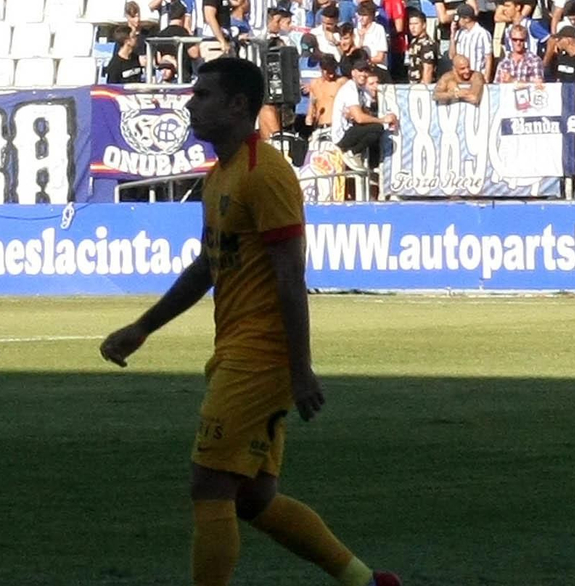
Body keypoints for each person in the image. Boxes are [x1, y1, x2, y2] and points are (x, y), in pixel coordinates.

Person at [100, 57, 400, 586]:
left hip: (259, 357)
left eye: (203, 95)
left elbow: (290, 276)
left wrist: (300, 369)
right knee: (253, 497)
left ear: (239, 105)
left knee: (209, 484)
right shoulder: (221, 175)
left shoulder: (266, 174)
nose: (191, 105)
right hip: (238, 351)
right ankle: (365, 581)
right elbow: (207, 265)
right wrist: (143, 327)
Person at [449, 4, 494, 80]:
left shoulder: (482, 33)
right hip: (461, 78)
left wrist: (486, 78)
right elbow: (452, 56)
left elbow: (488, 58)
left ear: (467, 19)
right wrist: (452, 35)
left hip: (477, 76)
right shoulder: (459, 33)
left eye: (458, 18)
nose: (457, 21)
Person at [404, 11, 437, 84]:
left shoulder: (427, 44)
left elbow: (428, 69)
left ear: (424, 25)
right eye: (410, 24)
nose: (412, 27)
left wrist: (424, 89)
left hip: (422, 87)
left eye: (416, 24)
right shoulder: (414, 41)